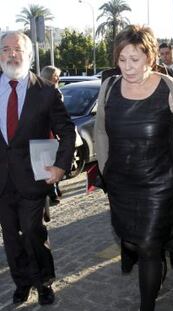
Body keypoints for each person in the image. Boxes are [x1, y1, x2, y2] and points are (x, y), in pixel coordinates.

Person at [94, 25, 173, 311]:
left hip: (159, 184)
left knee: (150, 246)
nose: (127, 67)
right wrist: (105, 169)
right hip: (121, 184)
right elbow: (101, 132)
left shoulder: (169, 88)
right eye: (122, 59)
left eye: (134, 59)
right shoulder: (109, 87)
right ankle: (146, 260)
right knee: (133, 242)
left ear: (150, 58)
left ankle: (147, 305)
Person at [0, 31, 75, 305]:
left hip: (33, 178)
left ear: (29, 55)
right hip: (2, 182)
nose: (12, 54)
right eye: (6, 49)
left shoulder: (45, 91)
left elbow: (67, 131)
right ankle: (22, 282)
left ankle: (44, 282)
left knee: (32, 233)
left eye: (17, 49)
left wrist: (60, 167)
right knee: (10, 237)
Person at [40, 65, 63, 207]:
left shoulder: (36, 90)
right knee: (51, 163)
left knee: (46, 164)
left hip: (43, 134)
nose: (59, 79)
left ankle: (54, 190)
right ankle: (52, 193)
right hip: (49, 134)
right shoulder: (54, 93)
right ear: (50, 77)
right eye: (56, 76)